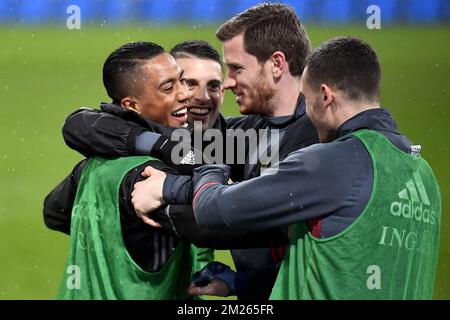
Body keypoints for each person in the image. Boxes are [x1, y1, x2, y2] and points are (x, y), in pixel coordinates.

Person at [133, 37, 442, 299]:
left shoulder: (331, 160)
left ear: (325, 96)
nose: (307, 114)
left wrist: (189, 171)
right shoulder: (422, 173)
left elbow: (215, 210)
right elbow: (350, 264)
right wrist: (240, 282)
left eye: (306, 101)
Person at [59, 3, 319, 300]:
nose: (228, 83)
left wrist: (167, 191)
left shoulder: (318, 139)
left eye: (236, 69)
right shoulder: (243, 135)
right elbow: (81, 124)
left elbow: (275, 226)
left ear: (276, 64)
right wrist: (161, 145)